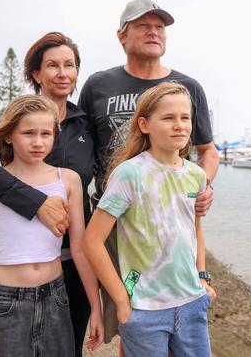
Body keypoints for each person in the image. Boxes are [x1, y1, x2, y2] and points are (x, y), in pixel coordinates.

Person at [77, 0, 220, 348]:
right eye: (143, 25)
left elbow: (208, 151)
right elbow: (79, 149)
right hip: (115, 220)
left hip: (172, 220)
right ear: (122, 36)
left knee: (173, 318)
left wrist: (201, 190)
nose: (153, 32)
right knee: (134, 322)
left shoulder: (188, 87)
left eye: (160, 27)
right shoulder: (98, 84)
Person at [0, 32, 101, 356]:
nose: (63, 72)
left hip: (65, 275)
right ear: (36, 74)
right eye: (52, 65)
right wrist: (37, 203)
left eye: (70, 65)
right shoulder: (16, 115)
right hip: (8, 286)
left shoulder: (85, 125)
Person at [83, 82, 216, 357]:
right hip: (145, 309)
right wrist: (121, 300)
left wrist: (203, 278)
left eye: (185, 117)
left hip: (192, 303)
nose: (179, 125)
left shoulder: (197, 175)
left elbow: (195, 230)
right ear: (144, 124)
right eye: (168, 118)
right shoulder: (129, 174)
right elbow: (92, 240)